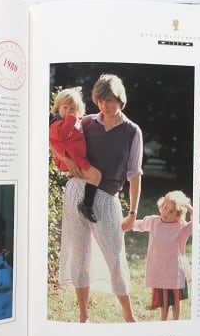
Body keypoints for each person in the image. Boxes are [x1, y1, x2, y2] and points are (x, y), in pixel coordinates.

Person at [56, 73, 142, 323]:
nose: (104, 106)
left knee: (115, 259)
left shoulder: (132, 131)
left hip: (106, 199)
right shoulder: (86, 123)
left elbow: (134, 174)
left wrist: (133, 213)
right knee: (80, 256)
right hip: (76, 192)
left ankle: (129, 317)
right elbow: (57, 144)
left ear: (120, 100)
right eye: (100, 101)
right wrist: (67, 162)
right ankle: (84, 316)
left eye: (109, 100)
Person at [133, 191, 193, 321]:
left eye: (171, 211)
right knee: (164, 303)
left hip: (175, 271)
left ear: (178, 214)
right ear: (161, 206)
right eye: (165, 208)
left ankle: (176, 322)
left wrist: (190, 210)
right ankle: (163, 323)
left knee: (176, 302)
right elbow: (138, 224)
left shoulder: (181, 227)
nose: (166, 213)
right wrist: (124, 223)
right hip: (160, 271)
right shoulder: (154, 221)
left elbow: (195, 226)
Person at [49, 87, 102, 222]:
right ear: (58, 108)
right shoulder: (57, 124)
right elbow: (61, 136)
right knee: (96, 175)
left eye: (72, 109)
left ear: (78, 110)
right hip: (74, 160)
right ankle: (87, 205)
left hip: (79, 159)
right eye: (65, 108)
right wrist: (71, 120)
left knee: (91, 177)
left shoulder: (76, 122)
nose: (68, 112)